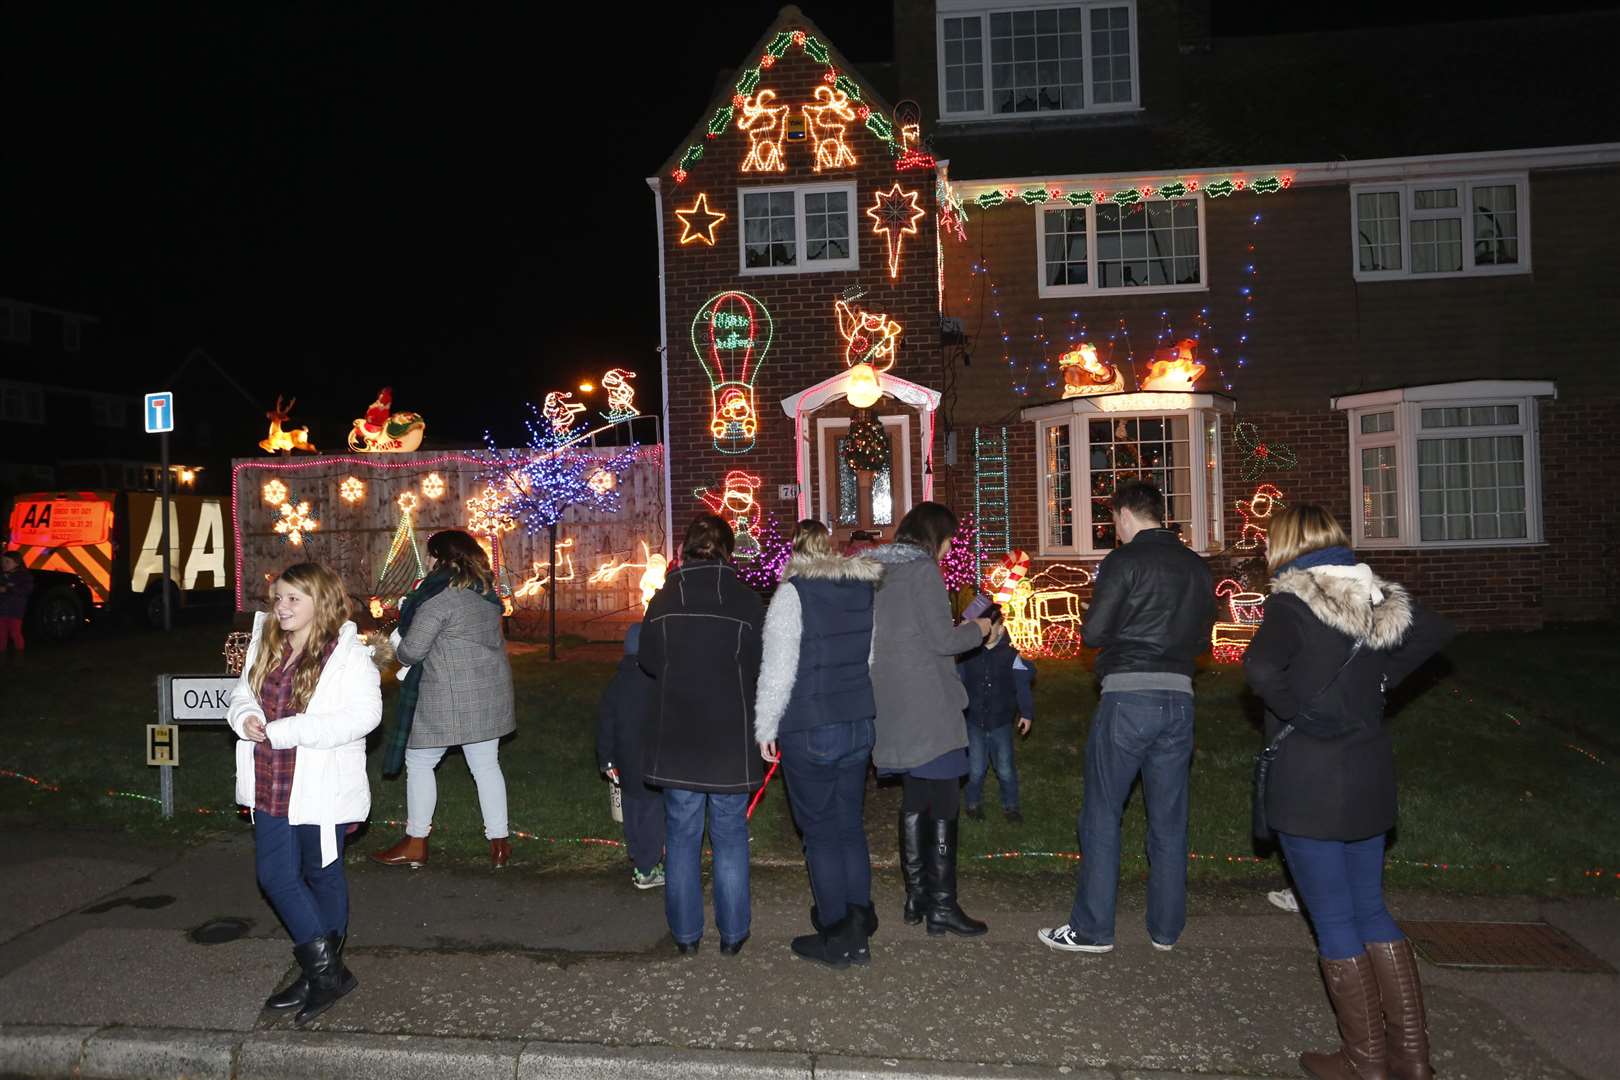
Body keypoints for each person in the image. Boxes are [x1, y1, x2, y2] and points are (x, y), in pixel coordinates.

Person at [1243, 505, 1453, 1080]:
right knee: (1371, 908)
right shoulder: (1373, 596)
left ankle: (1365, 1062)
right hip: (1368, 776)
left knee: (1335, 919)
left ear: (1289, 545)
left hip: (1311, 782)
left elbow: (1259, 669)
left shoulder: (1291, 601)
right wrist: (1378, 685)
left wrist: (1303, 716)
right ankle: (1411, 1057)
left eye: (1270, 543)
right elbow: (1434, 630)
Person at [1039, 478, 1214, 955]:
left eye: (1114, 519)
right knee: (1169, 819)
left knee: (1101, 813)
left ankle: (1093, 929)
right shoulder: (1197, 568)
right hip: (1179, 700)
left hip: (1128, 698)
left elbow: (1094, 632)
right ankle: (1166, 928)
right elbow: (1204, 641)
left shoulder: (1123, 561)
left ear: (1125, 515)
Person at [225, 562, 382, 1025]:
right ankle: (327, 973)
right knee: (276, 875)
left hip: (320, 784)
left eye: (294, 598)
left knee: (321, 874)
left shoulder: (347, 655)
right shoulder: (268, 642)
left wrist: (288, 731)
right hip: (270, 780)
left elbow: (364, 716)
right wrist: (246, 717)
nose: (281, 606)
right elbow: (241, 694)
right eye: (278, 598)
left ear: (321, 601)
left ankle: (319, 974)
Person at [754, 520, 883, 967]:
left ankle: (837, 936)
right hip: (858, 722)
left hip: (811, 726)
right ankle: (858, 919)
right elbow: (868, 658)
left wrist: (766, 726)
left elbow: (778, 669)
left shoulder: (794, 594)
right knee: (848, 824)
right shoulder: (862, 591)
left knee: (821, 834)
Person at [868, 502, 1000, 937]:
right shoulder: (923, 571)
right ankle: (941, 907)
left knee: (915, 800)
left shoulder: (879, 569)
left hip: (894, 703)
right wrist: (980, 630)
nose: (948, 550)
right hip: (928, 704)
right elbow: (943, 640)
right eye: (948, 541)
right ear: (934, 537)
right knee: (943, 802)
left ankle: (916, 897)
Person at [641, 515, 765, 956]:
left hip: (678, 735)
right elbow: (758, 667)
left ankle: (687, 937)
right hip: (729, 739)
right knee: (730, 836)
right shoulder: (746, 601)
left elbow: (650, 660)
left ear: (684, 550)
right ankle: (733, 935)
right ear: (729, 551)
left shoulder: (664, 599)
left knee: (681, 837)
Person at [373, 530, 515, 870]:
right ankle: (499, 844)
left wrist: (398, 631)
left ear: (443, 559)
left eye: (433, 556)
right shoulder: (486, 596)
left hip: (448, 699)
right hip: (489, 694)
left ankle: (416, 841)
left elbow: (410, 652)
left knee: (420, 762)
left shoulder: (440, 600)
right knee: (486, 766)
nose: (430, 563)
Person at [597, 623, 665, 889]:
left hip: (625, 761)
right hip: (651, 762)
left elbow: (606, 722)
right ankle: (647, 869)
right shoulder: (657, 682)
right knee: (652, 815)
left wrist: (607, 759)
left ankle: (639, 857)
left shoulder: (617, 683)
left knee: (633, 811)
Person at [958, 606, 1036, 823]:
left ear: (1001, 628)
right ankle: (973, 804)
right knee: (975, 768)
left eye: (989, 626)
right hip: (974, 721)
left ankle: (1011, 806)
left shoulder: (1011, 656)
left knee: (1005, 768)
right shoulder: (968, 656)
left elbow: (1022, 686)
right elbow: (957, 682)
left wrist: (1027, 713)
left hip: (1001, 722)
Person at [0, 550, 33, 657]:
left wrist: (9, 589)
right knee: (1, 633)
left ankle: (19, 654)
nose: (4, 564)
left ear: (17, 563)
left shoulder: (24, 577)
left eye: (7, 562)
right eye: (3, 562)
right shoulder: (3, 576)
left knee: (15, 632)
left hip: (15, 611)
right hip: (2, 610)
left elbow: (25, 590)